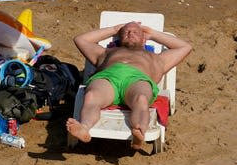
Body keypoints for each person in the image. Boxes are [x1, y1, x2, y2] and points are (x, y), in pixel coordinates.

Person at [66, 21, 192, 150]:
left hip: (138, 80)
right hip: (108, 78)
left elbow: (185, 47)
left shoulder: (156, 58)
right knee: (91, 96)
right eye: (126, 32)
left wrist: (153, 34)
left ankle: (139, 131)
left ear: (144, 39)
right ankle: (84, 128)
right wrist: (113, 29)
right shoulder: (106, 52)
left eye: (136, 32)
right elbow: (80, 39)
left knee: (141, 99)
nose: (130, 33)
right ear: (120, 38)